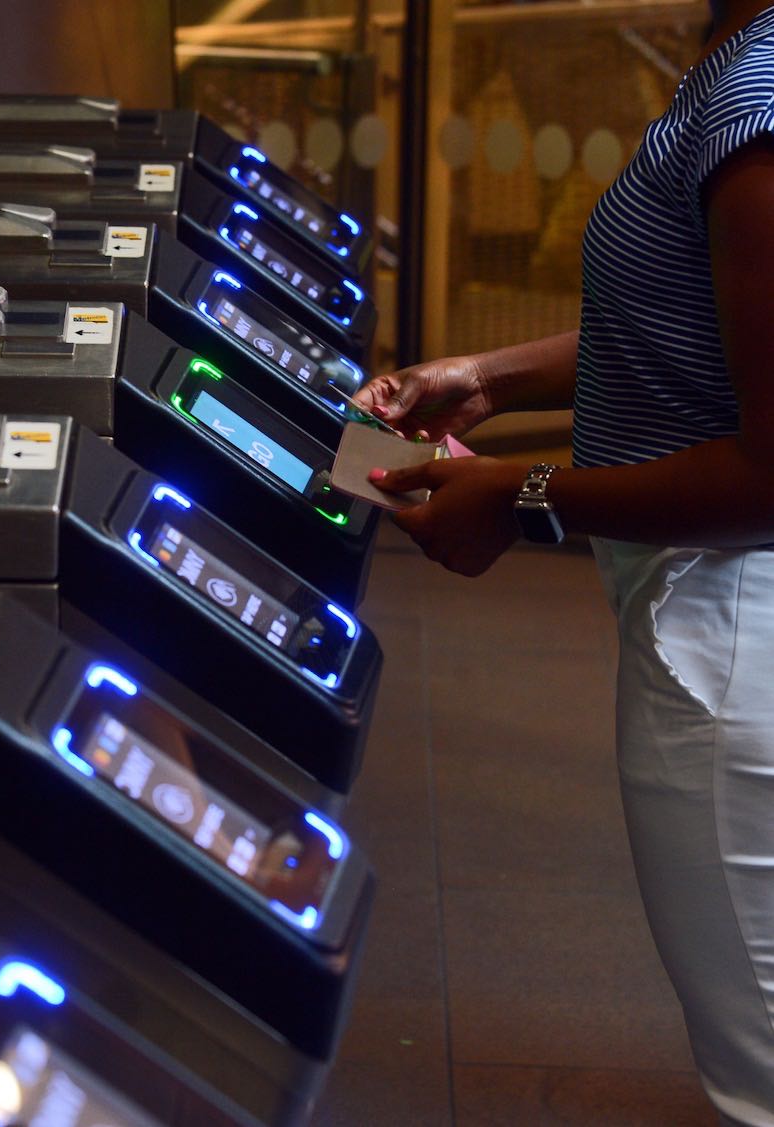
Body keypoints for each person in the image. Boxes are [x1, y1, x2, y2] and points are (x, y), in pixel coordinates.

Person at [353, 4, 774, 1122]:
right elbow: (703, 326)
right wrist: (493, 377)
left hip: (727, 630)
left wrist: (523, 497)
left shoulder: (758, 106)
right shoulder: (740, 68)